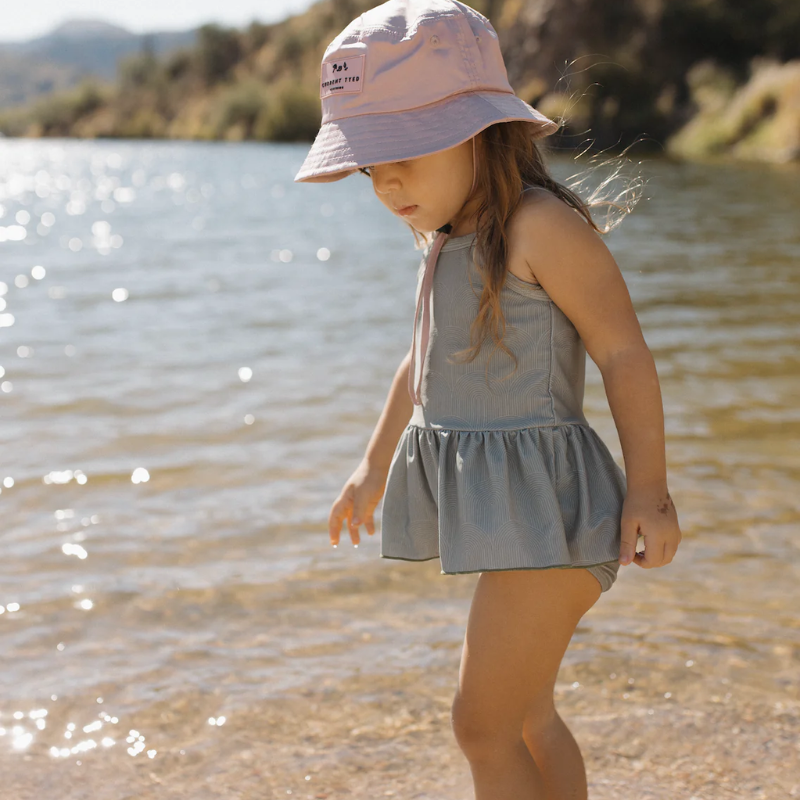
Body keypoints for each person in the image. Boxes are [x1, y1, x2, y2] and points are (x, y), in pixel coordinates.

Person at [295, 1, 683, 797]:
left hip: (551, 510)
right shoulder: (445, 237)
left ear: (480, 129)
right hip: (511, 514)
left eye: (402, 150)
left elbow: (623, 355)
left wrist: (650, 490)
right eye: (370, 164)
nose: (387, 181)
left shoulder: (540, 227)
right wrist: (371, 468)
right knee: (528, 717)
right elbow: (420, 362)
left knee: (480, 726)